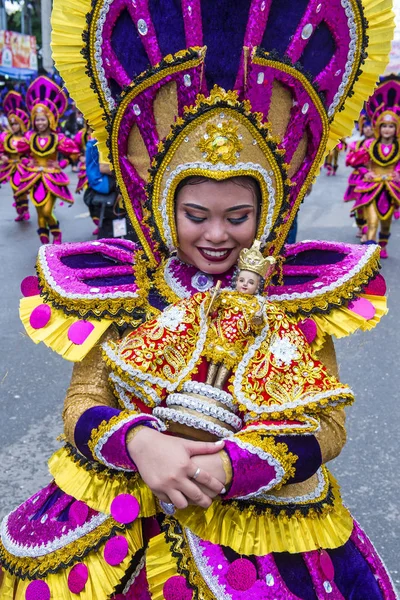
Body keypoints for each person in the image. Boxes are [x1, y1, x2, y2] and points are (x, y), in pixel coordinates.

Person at [0, 1, 397, 599]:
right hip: (126, 512)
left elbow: (328, 425)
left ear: (265, 214)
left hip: (254, 531)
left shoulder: (296, 297)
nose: (215, 235)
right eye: (195, 216)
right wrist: (140, 444)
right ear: (164, 209)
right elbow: (84, 398)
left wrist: (231, 467)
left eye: (238, 217)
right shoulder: (130, 288)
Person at [15, 76, 79, 244]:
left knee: (47, 211)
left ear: (49, 119)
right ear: (34, 121)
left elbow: (73, 155)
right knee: (39, 213)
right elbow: (20, 155)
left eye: (43, 119)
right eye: (37, 119)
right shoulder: (29, 137)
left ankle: (56, 236)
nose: (40, 122)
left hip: (52, 177)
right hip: (33, 178)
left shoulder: (58, 138)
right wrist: (26, 162)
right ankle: (45, 247)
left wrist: (61, 164)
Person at [352, 75, 400, 258]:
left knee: (385, 222)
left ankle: (383, 244)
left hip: (391, 189)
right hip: (372, 188)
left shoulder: (398, 146)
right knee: (372, 222)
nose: (387, 129)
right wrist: (366, 173)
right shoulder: (369, 145)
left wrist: (397, 173)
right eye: (384, 126)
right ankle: (369, 257)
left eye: (391, 126)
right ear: (378, 127)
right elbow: (360, 164)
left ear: (396, 128)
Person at [344, 110, 375, 241]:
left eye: (371, 126)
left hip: (375, 179)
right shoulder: (357, 143)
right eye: (366, 126)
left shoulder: (381, 144)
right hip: (359, 180)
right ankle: (362, 227)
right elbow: (351, 161)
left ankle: (367, 231)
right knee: (359, 206)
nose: (368, 129)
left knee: (371, 206)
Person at [0, 90, 30, 221]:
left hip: (24, 168)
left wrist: (27, 160)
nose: (14, 126)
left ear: (21, 124)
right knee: (15, 190)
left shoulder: (27, 138)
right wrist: (2, 156)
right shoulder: (5, 137)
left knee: (22, 189)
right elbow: (1, 150)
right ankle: (20, 211)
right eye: (12, 124)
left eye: (16, 124)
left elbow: (31, 153)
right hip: (11, 168)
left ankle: (26, 209)